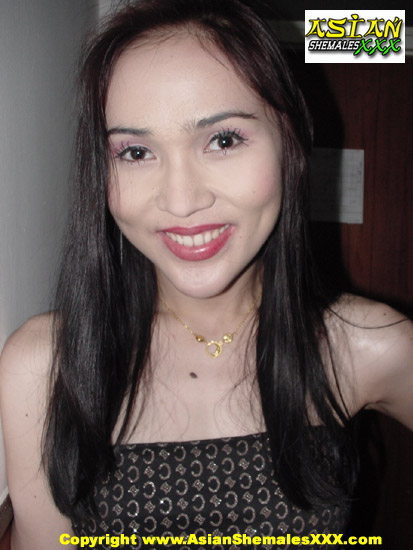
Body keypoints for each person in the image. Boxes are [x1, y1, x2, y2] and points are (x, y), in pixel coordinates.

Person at [0, 1, 412, 549]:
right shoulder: (46, 366)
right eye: (136, 151)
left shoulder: (363, 345)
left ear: (290, 142)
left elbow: (384, 34)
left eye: (223, 140)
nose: (181, 200)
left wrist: (373, 31)